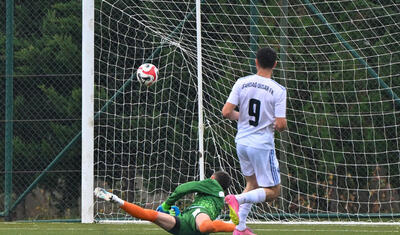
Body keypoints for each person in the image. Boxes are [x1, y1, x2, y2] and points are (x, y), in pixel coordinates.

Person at [221, 47, 287, 235]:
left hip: (242, 142)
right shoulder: (278, 90)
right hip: (262, 145)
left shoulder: (242, 82)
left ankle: (239, 228)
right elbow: (281, 125)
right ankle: (237, 199)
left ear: (256, 62)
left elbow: (226, 112)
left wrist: (243, 117)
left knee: (252, 183)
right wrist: (275, 124)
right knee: (273, 191)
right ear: (275, 64)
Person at [94, 171, 236, 235]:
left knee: (150, 215)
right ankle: (236, 227)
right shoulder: (219, 198)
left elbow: (182, 188)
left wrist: (167, 205)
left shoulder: (212, 184)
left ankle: (117, 200)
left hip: (189, 222)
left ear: (212, 178)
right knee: (205, 227)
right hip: (193, 218)